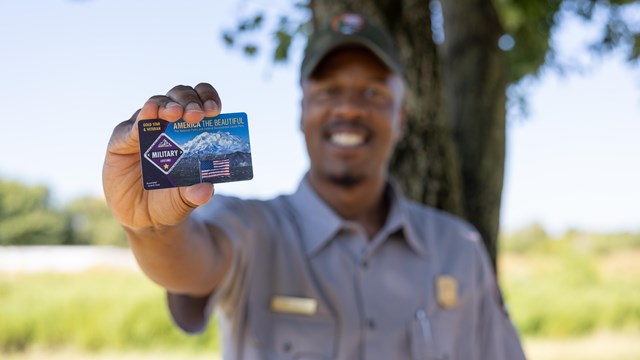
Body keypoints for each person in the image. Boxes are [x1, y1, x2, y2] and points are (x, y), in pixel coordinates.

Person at [103, 12, 526, 360]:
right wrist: (151, 228)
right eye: (327, 91)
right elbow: (192, 262)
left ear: (401, 117)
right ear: (301, 112)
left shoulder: (459, 248)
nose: (348, 107)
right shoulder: (250, 228)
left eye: (373, 92)